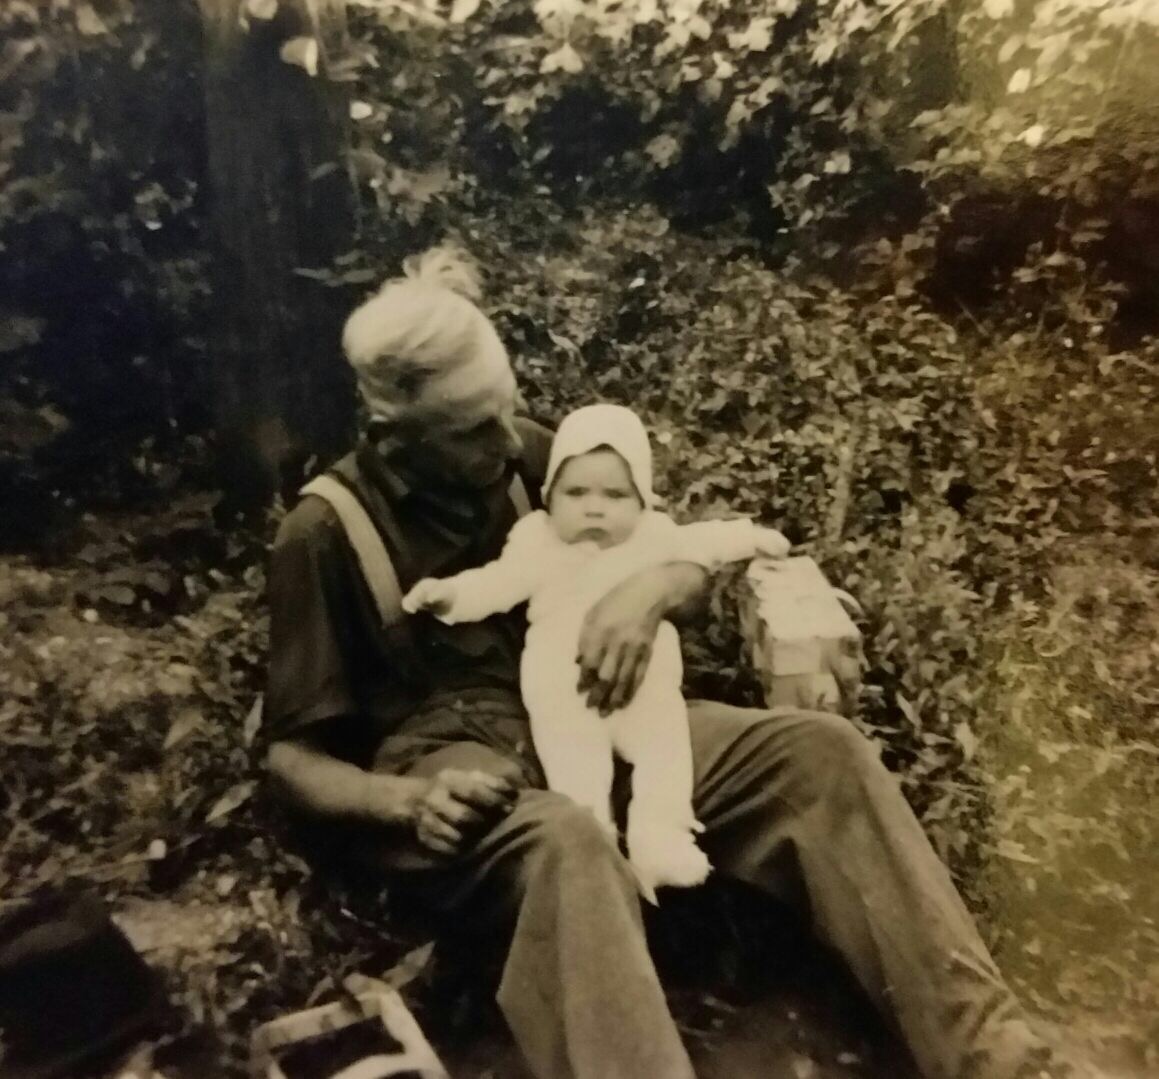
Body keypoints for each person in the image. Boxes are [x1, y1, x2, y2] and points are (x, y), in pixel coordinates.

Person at [265, 249, 1073, 1079]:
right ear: (394, 437)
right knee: (570, 839)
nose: (507, 440)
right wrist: (406, 802)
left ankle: (999, 1059)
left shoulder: (529, 459)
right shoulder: (322, 534)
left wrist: (649, 589)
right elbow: (290, 758)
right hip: (462, 775)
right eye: (474, 428)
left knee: (818, 755)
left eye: (505, 408)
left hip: (595, 714)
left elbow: (680, 555)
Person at [402, 402, 792, 902]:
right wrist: (449, 597)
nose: (594, 508)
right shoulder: (538, 540)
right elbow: (498, 583)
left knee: (666, 753)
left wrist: (752, 537)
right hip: (565, 691)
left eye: (615, 495)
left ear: (642, 500)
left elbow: (705, 542)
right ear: (550, 496)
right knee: (575, 771)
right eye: (576, 493)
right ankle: (598, 851)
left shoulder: (653, 536)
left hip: (645, 689)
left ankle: (660, 839)